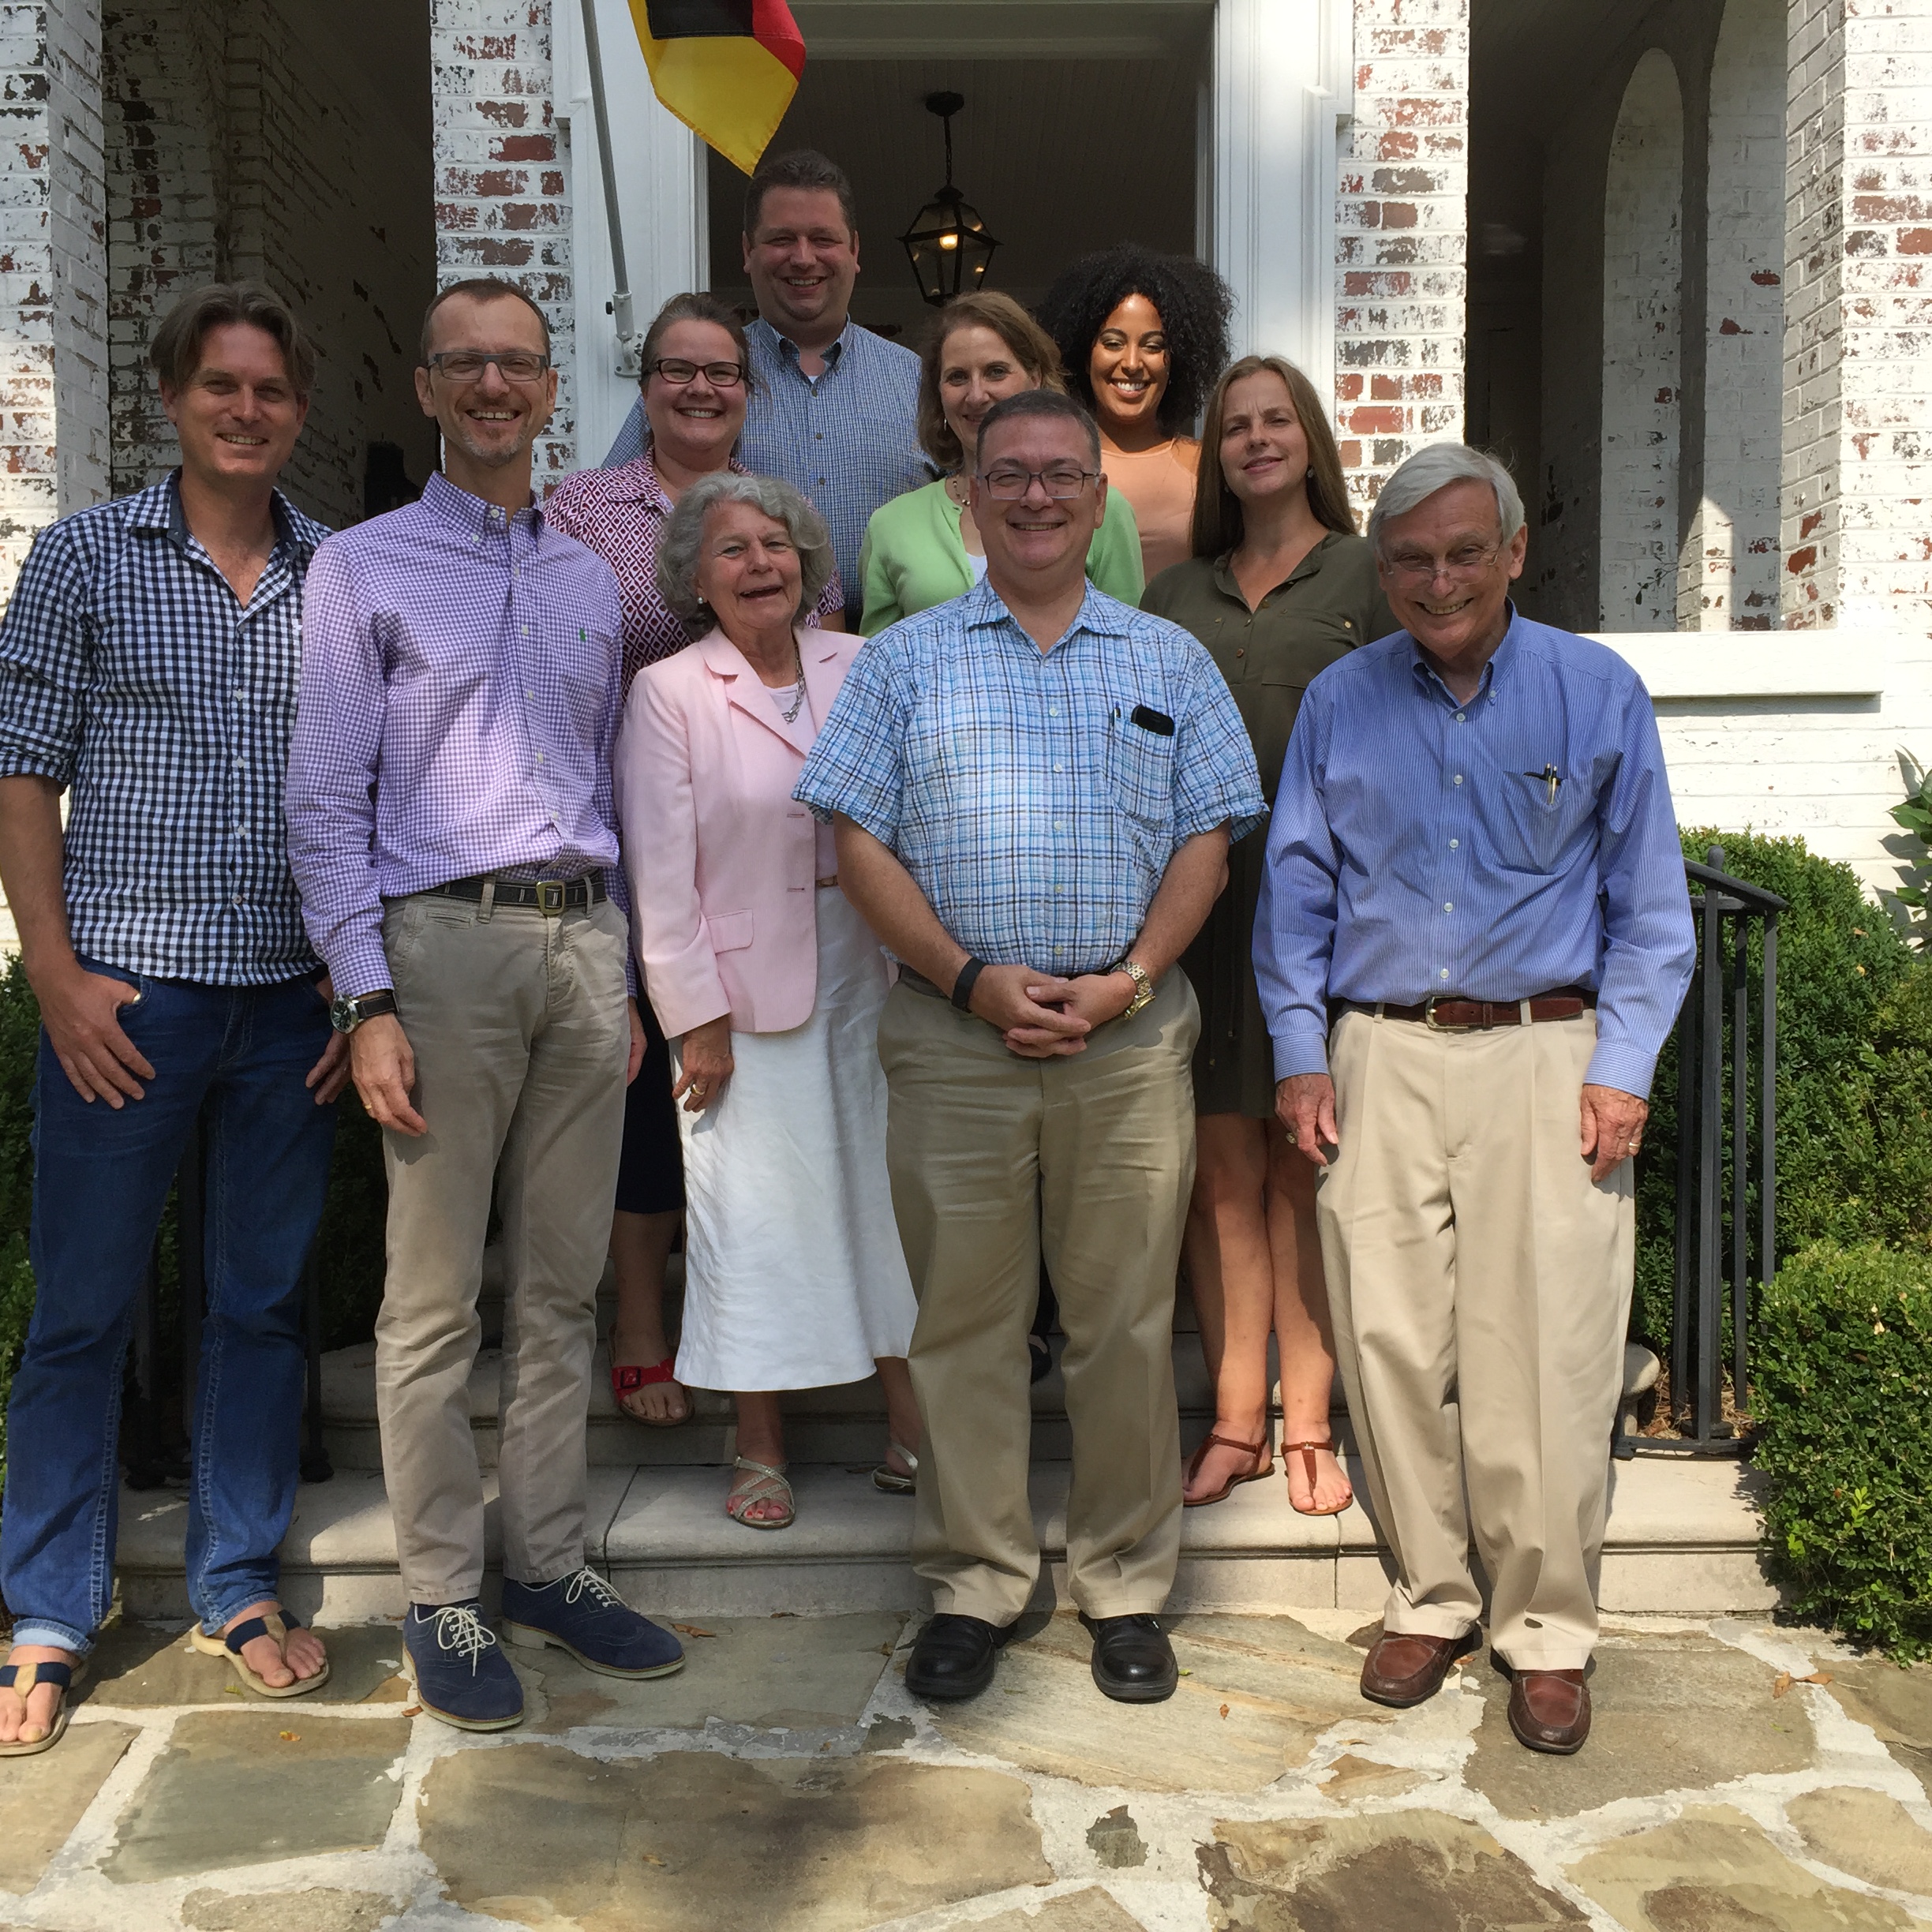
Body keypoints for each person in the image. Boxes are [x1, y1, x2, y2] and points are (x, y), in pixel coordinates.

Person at [796, 389, 1265, 1706]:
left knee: (1124, 1323)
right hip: (954, 1037)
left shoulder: (1168, 659)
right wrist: (968, 978)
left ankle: (1125, 1582)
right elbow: (856, 841)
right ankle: (973, 1580)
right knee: (964, 1325)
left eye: (1064, 475)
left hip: (1128, 1041)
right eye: (1010, 474)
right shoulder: (902, 661)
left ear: (1099, 500)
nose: (1038, 496)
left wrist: (1129, 980)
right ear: (970, 497)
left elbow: (1207, 839)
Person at [286, 275, 684, 1733]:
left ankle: (552, 1561)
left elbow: (606, 787)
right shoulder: (362, 568)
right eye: (467, 363)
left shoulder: (588, 580)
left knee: (564, 1286)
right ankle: (443, 1587)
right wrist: (365, 997)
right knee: (434, 1295)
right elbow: (324, 797)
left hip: (583, 948)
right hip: (441, 948)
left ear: (548, 388)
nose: (495, 385)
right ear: (428, 386)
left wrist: (621, 969)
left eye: (518, 362)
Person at [1254, 444, 1696, 1756]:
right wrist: (1297, 1049)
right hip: (1377, 1055)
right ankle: (1431, 1596)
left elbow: (1649, 906)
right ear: (1379, 570)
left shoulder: (1596, 691)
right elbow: (1295, 889)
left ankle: (1545, 1628)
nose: (1437, 580)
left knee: (1547, 1350)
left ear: (1512, 552)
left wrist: (1621, 1066)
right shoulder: (1339, 702)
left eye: (1462, 552)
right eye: (1409, 559)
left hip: (1545, 1054)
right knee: (1389, 1340)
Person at [0, 283, 348, 1754]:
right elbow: (22, 768)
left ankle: (235, 1580)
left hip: (291, 1002)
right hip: (127, 998)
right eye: (221, 386)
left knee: (258, 1306)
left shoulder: (339, 573)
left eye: (270, 389)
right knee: (82, 1309)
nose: (246, 410)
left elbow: (369, 784)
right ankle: (46, 1610)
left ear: (298, 410)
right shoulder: (85, 556)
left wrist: (355, 981)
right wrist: (54, 971)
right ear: (172, 398)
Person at [546, 291, 844, 1431]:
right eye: (679, 368)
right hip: (619, 820)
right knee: (648, 1088)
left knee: (745, 1109)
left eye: (723, 372)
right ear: (647, 384)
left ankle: (783, 1335)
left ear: (747, 392)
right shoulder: (581, 511)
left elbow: (817, 669)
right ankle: (640, 1321)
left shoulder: (776, 512)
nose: (701, 389)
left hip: (754, 837)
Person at [616, 472, 920, 1530]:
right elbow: (660, 874)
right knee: (749, 1212)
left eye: (777, 544)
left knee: (888, 1199)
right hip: (741, 997)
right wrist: (693, 1018)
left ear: (808, 564)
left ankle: (911, 1427)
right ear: (696, 579)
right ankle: (759, 1445)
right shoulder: (670, 690)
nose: (761, 564)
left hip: (877, 969)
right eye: (733, 549)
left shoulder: (865, 662)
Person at [1142, 356, 1393, 1517]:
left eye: (1275, 419)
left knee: (1305, 1167)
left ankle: (1312, 1422)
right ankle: (1237, 1417)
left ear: (1310, 440)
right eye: (1234, 424)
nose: (1255, 439)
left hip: (1329, 916)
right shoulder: (1175, 595)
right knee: (1219, 1175)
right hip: (1196, 907)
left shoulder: (1368, 576)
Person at [603, 150, 931, 623]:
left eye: (823, 239)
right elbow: (615, 509)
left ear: (855, 251)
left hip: (899, 649)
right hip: (739, 650)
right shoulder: (700, 385)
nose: (803, 258)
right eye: (781, 239)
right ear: (747, 251)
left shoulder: (917, 381)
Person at [858, 290, 1143, 633]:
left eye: (995, 372)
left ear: (1035, 379)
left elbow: (1128, 640)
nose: (976, 395)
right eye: (957, 377)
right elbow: (877, 655)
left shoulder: (1093, 504)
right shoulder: (891, 525)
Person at [1038, 243, 1232, 582]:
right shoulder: (1049, 467)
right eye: (1113, 343)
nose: (1131, 363)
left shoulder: (1210, 467)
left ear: (1178, 361)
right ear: (1084, 355)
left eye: (1153, 346)